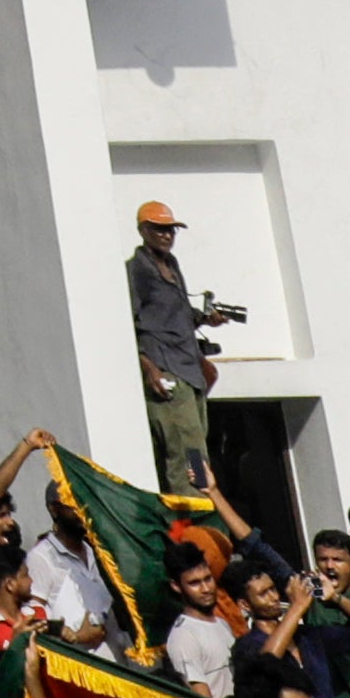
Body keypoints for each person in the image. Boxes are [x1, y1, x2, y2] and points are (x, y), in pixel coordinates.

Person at [128, 202, 211, 486]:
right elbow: (126, 324)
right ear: (143, 230)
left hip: (189, 368)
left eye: (170, 230)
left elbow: (176, 315)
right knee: (186, 451)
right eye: (159, 229)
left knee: (197, 444)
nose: (166, 236)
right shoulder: (136, 270)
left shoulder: (172, 266)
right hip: (165, 367)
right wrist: (149, 367)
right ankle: (191, 512)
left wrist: (206, 318)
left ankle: (200, 500)